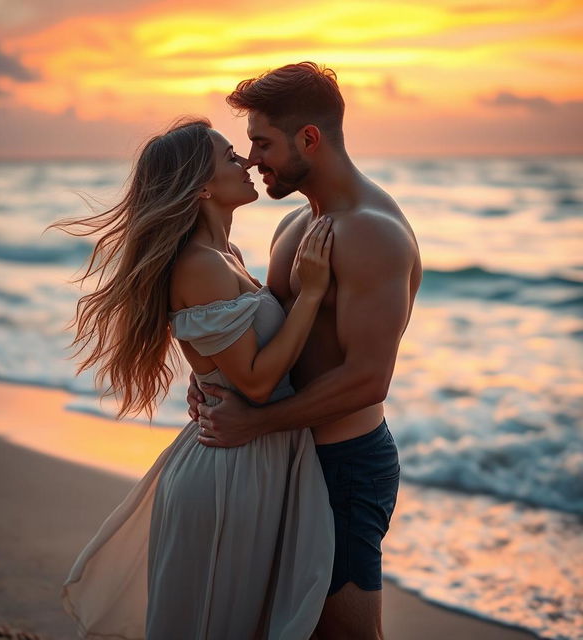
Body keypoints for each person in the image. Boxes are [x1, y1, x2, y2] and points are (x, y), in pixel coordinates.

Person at [53, 118, 336, 639]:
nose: (247, 162)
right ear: (202, 186)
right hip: (230, 474)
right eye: (231, 157)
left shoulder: (226, 257)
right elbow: (253, 382)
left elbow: (230, 362)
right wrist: (313, 293)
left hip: (249, 459)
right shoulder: (200, 265)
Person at [187, 62, 422, 640]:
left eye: (262, 143)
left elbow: (368, 379)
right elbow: (272, 332)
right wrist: (216, 375)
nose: (252, 159)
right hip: (284, 458)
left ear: (309, 139)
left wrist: (255, 423)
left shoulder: (371, 233)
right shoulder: (294, 223)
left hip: (343, 467)